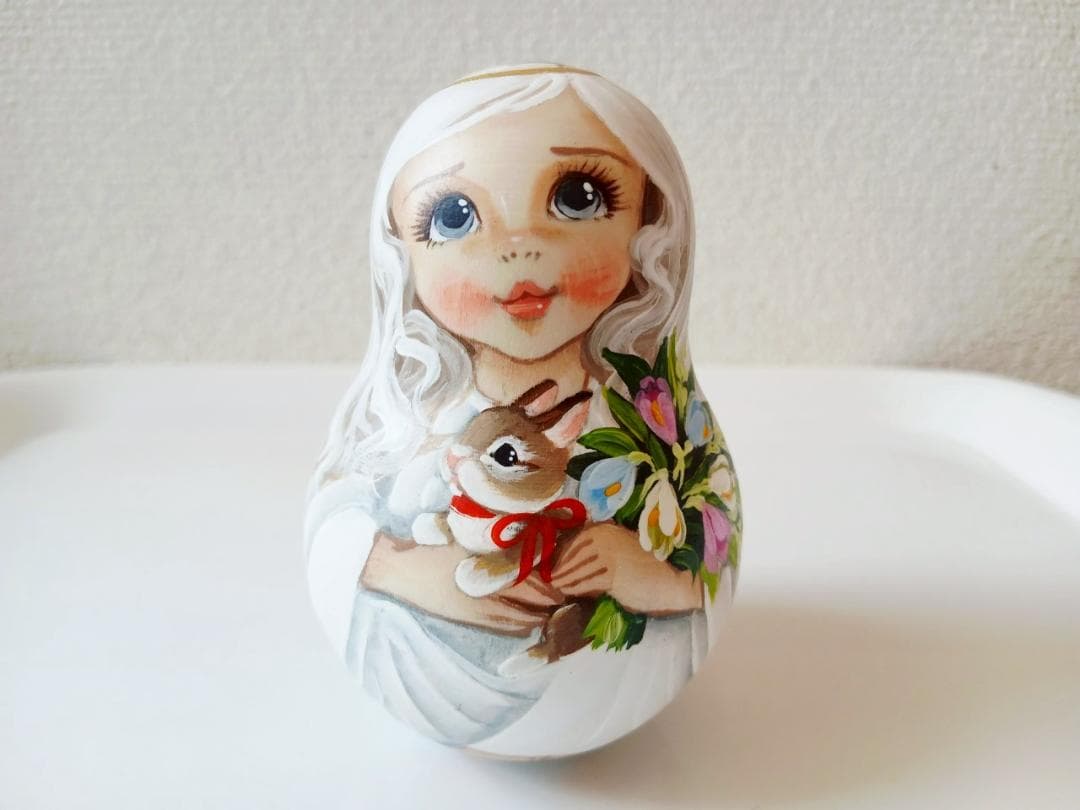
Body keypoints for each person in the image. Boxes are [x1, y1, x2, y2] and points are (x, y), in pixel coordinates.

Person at [304, 65, 737, 759]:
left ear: (650, 224)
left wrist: (651, 578)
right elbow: (336, 521)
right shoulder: (406, 424)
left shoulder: (653, 426)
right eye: (453, 216)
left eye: (577, 198)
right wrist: (402, 568)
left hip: (615, 692)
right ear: (401, 253)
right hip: (425, 674)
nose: (515, 249)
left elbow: (705, 571)